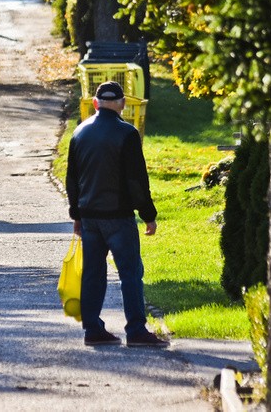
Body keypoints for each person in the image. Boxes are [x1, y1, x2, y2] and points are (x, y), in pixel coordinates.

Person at [65, 81, 169, 347]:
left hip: (89, 217)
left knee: (93, 274)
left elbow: (72, 180)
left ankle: (93, 329)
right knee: (130, 273)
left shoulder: (79, 132)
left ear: (95, 104)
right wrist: (148, 214)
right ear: (122, 104)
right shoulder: (127, 133)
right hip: (119, 216)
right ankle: (136, 330)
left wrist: (76, 214)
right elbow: (137, 181)